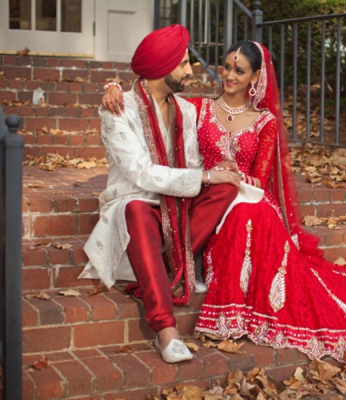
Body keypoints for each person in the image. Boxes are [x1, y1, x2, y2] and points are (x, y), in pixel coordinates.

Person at [102, 40, 346, 362]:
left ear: (256, 76)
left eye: (239, 70)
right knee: (234, 202)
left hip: (244, 193)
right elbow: (154, 97)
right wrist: (113, 86)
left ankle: (226, 296)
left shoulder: (265, 121)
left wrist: (234, 177)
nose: (229, 75)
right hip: (204, 191)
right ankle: (179, 275)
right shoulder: (196, 109)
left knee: (249, 210)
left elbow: (261, 176)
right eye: (227, 67)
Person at [80, 25, 241, 364]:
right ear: (159, 68)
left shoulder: (185, 109)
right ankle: (165, 329)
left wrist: (214, 174)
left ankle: (163, 265)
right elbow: (140, 173)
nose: (189, 70)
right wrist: (204, 175)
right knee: (136, 209)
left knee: (225, 188)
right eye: (182, 63)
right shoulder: (118, 109)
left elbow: (194, 164)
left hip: (176, 207)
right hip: (136, 200)